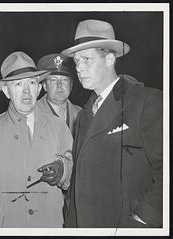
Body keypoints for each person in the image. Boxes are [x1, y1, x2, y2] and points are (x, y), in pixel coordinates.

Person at [60, 19, 163, 228]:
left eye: (87, 60)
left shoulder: (145, 101)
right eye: (77, 61)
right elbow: (79, 180)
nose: (79, 68)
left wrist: (144, 218)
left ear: (109, 60)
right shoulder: (83, 116)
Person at [0, 51, 73, 227]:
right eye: (18, 84)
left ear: (39, 88)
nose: (26, 91)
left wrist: (63, 169)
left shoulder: (58, 127)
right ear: (6, 91)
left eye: (32, 83)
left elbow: (74, 169)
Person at [37, 53, 82, 136]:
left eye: (64, 80)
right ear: (44, 86)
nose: (59, 85)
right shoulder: (32, 113)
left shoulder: (81, 114)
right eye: (53, 80)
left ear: (71, 85)